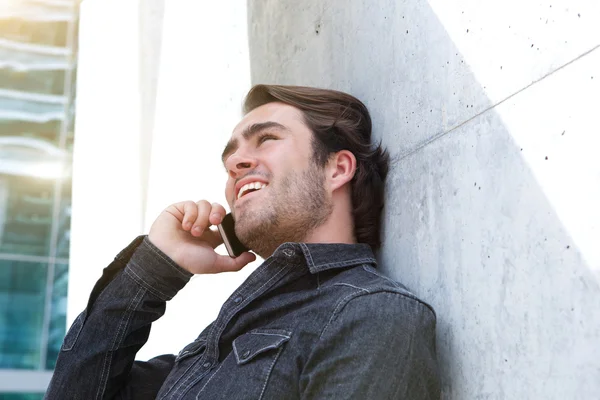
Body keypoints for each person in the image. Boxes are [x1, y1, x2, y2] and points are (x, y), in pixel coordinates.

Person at [45, 85, 440, 399]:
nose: (236, 163)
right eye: (230, 157)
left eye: (266, 139)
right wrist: (157, 266)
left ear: (337, 168)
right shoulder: (220, 343)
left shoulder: (370, 314)